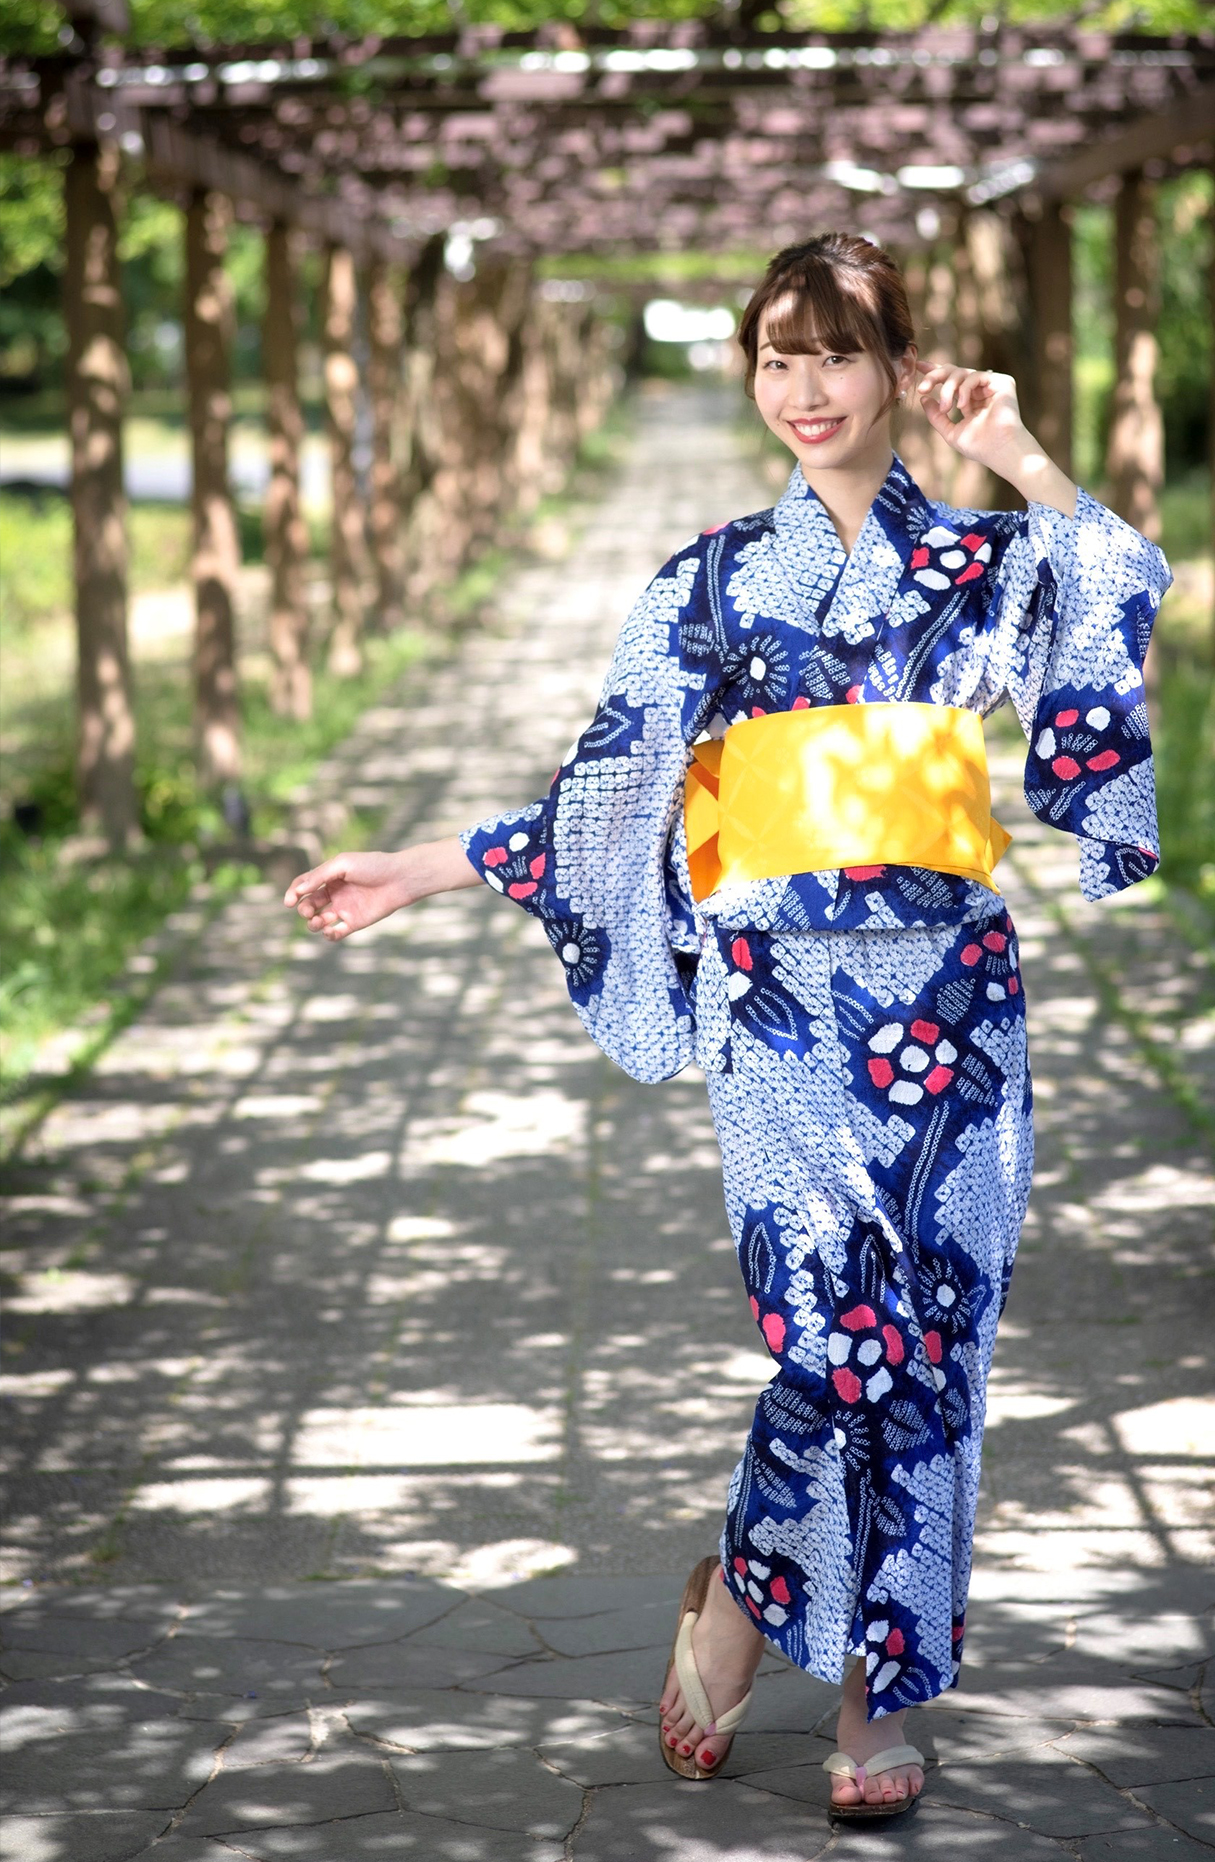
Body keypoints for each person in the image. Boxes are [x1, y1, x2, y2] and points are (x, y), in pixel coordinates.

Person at [283, 233, 1169, 1821]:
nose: (805, 387)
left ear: (896, 367)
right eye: (777, 356)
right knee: (830, 1339)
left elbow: (1113, 577)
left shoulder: (979, 559)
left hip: (956, 1007)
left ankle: (871, 1694)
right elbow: (613, 793)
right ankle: (747, 1600)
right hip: (782, 1011)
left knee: (935, 1345)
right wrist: (420, 866)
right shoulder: (705, 582)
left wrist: (1019, 451)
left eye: (837, 353)